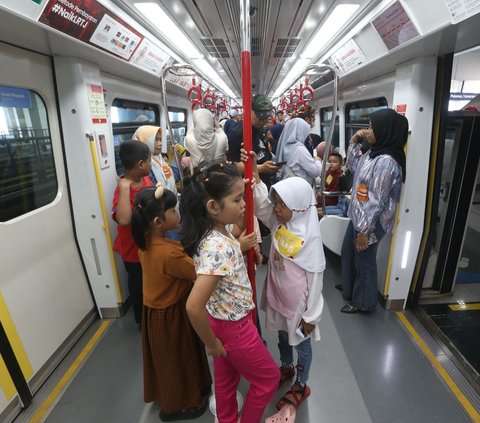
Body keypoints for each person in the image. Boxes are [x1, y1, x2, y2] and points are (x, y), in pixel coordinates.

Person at [181, 162, 280, 423]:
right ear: (213, 207)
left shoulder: (213, 233)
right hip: (235, 328)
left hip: (221, 320)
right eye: (238, 199)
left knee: (226, 383)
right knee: (269, 379)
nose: (244, 204)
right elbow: (193, 306)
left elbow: (228, 241)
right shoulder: (219, 247)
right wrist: (211, 344)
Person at [249, 154, 325, 412]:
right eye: (277, 203)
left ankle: (302, 383)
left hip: (299, 307)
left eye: (282, 204)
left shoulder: (309, 239)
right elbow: (262, 208)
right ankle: (286, 365)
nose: (277, 208)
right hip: (279, 298)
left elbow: (315, 282)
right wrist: (257, 181)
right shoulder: (280, 223)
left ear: (300, 206)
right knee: (282, 335)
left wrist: (311, 315)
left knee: (301, 343)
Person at [131, 186, 212, 422]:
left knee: (168, 362)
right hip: (171, 314)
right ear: (158, 221)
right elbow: (200, 272)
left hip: (155, 313)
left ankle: (178, 395)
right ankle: (181, 405)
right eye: (173, 211)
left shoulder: (146, 245)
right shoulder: (168, 254)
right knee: (179, 362)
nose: (178, 215)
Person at [341, 108, 408, 313]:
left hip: (372, 223)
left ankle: (364, 302)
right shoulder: (373, 152)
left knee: (365, 262)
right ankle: (350, 288)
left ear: (385, 130)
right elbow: (352, 166)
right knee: (348, 252)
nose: (367, 131)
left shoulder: (387, 162)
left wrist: (364, 231)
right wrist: (355, 142)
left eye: (371, 127)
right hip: (359, 217)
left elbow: (376, 201)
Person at [111, 140, 153, 326]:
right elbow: (124, 220)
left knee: (150, 282)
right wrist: (124, 188)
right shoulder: (123, 188)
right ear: (141, 164)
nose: (151, 165)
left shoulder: (146, 179)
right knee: (138, 286)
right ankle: (141, 320)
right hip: (133, 251)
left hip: (149, 243)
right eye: (149, 161)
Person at [227, 94, 279, 178]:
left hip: (264, 180)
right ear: (250, 111)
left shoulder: (260, 128)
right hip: (251, 183)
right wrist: (261, 168)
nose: (264, 121)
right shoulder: (238, 133)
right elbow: (235, 165)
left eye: (267, 118)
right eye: (261, 118)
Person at [275, 118, 322, 185]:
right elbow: (315, 171)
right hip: (299, 187)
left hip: (287, 184)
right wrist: (318, 160)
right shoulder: (299, 149)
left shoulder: (284, 147)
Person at [132, 125, 177, 194]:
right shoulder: (143, 165)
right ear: (145, 141)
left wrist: (174, 157)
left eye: (160, 139)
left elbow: (173, 177)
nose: (160, 144)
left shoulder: (160, 157)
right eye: (156, 140)